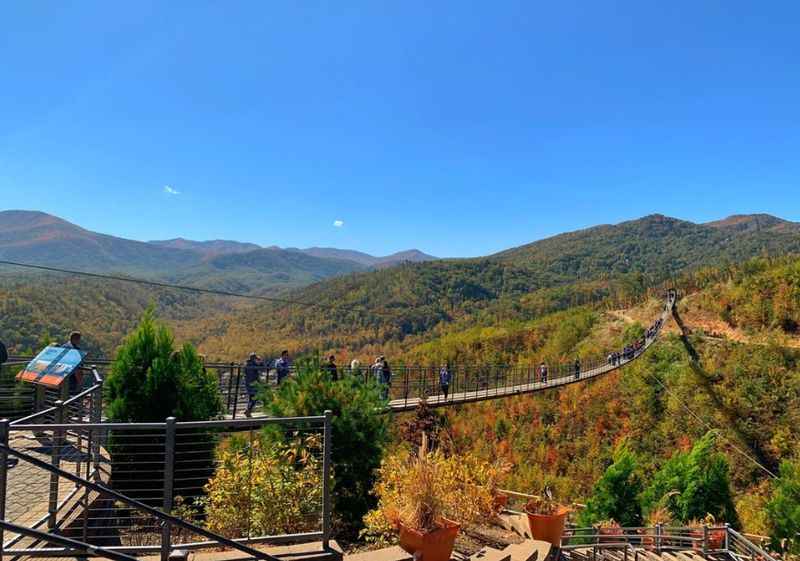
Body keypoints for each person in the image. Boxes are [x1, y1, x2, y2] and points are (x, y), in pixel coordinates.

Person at [244, 353, 262, 417]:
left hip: (248, 383)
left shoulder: (247, 364)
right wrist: (260, 361)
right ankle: (248, 410)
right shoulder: (253, 365)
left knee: (251, 398)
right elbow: (261, 367)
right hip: (253, 384)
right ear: (254, 359)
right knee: (254, 397)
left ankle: (248, 410)